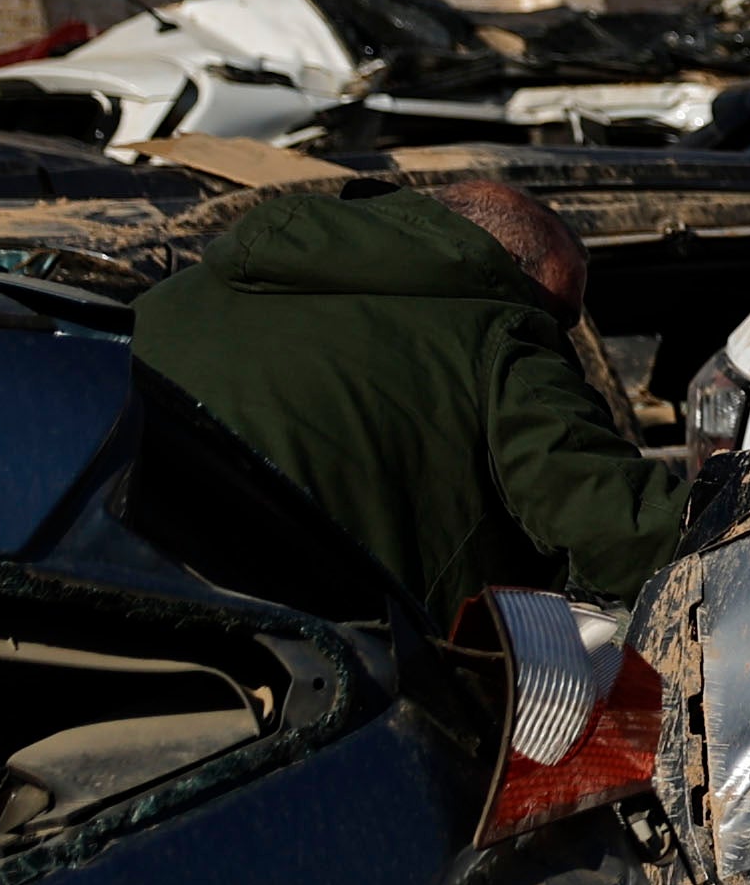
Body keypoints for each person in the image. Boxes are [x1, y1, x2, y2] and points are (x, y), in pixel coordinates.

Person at [128, 175, 682, 622]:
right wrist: (743, 515)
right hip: (315, 669)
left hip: (120, 617)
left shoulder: (168, 300)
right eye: (557, 315)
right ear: (497, 268)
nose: (558, 336)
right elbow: (618, 521)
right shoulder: (498, 332)